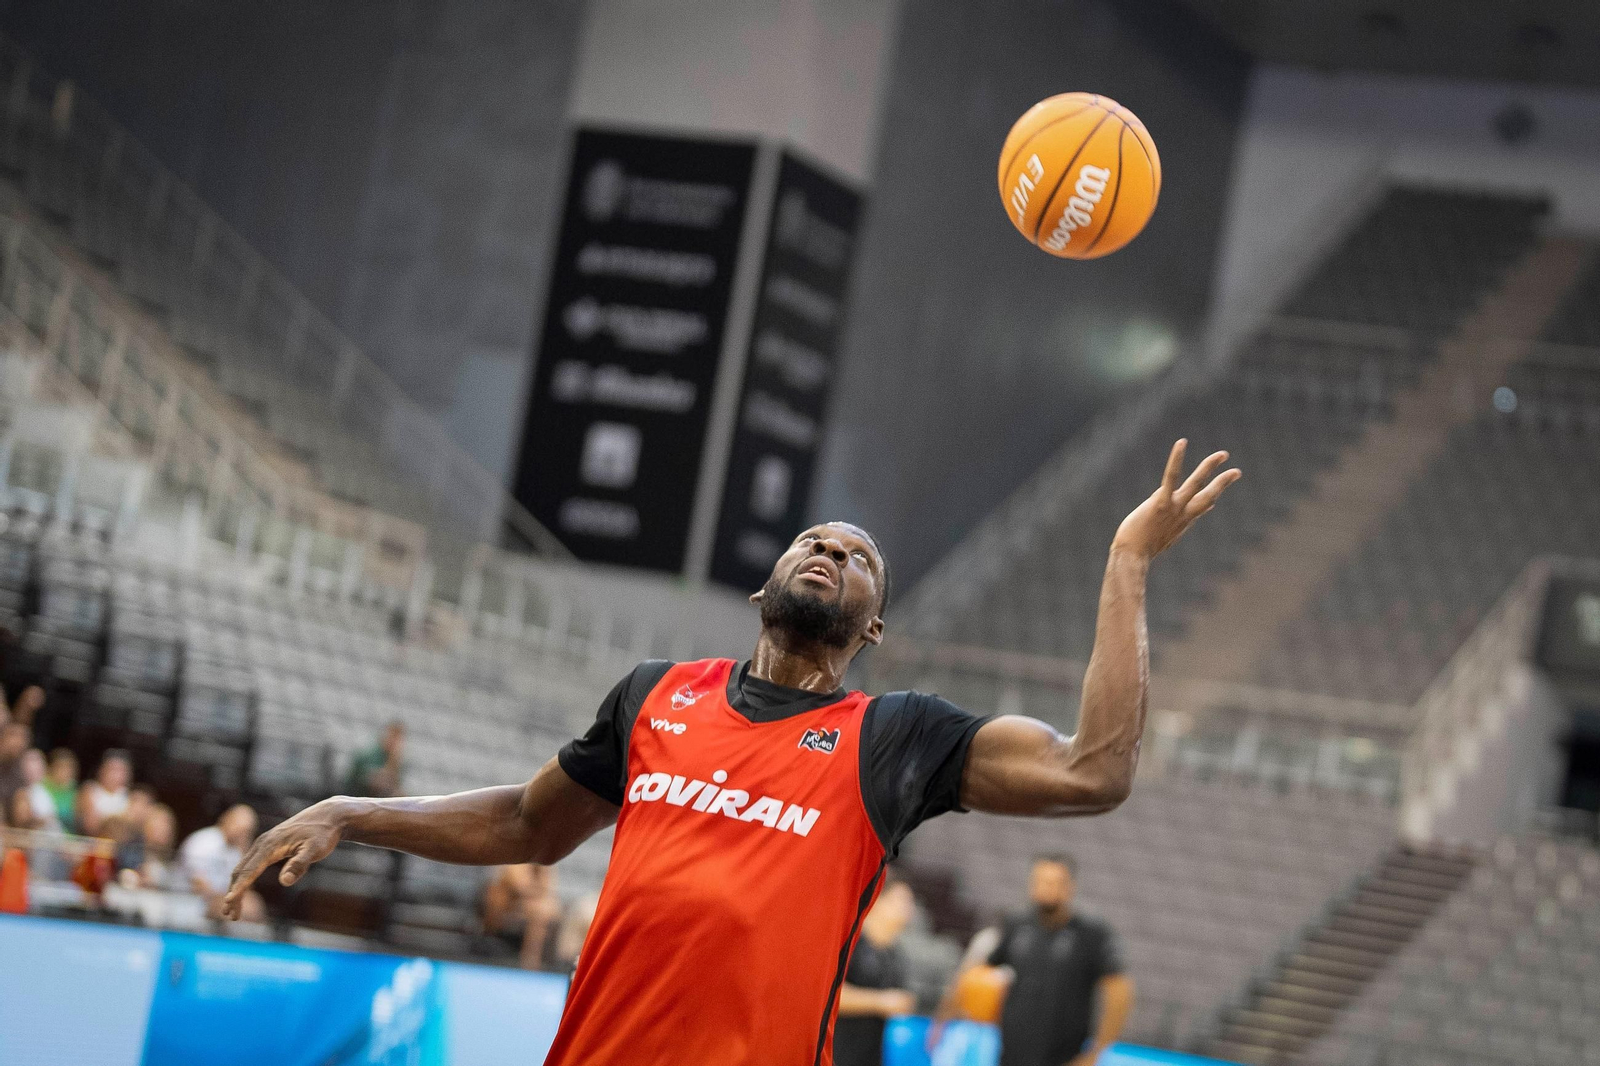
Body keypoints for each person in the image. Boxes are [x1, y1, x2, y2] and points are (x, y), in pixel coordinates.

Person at [224, 441, 1239, 1066]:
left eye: (858, 557)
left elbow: (1093, 771)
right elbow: (527, 824)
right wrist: (357, 811)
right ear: (765, 585)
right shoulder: (655, 694)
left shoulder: (893, 736)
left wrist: (1126, 562)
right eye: (813, 541)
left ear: (872, 626)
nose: (830, 551)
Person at [984, 855, 1135, 1066]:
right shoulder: (1016, 923)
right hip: (1011, 1054)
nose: (1046, 888)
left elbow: (1119, 991)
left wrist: (1097, 1050)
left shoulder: (1090, 933)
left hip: (1063, 1057)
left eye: (1054, 882)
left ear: (1070, 886)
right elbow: (983, 972)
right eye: (1041, 881)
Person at [835, 875, 918, 1066]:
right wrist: (880, 1002)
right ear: (878, 899)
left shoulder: (896, 955)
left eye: (910, 902)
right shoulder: (852, 940)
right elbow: (832, 996)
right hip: (837, 1052)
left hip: (870, 1056)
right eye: (900, 900)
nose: (907, 908)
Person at [182, 804, 262, 920]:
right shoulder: (203, 841)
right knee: (230, 908)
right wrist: (224, 899)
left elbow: (245, 888)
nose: (242, 835)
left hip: (220, 901)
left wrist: (246, 855)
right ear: (227, 820)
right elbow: (198, 884)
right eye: (240, 828)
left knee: (253, 904)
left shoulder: (237, 851)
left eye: (247, 832)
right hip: (192, 901)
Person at [482, 862, 562, 969]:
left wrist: (534, 892)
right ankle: (528, 960)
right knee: (539, 911)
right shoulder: (518, 861)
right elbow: (519, 887)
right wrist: (535, 891)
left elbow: (546, 888)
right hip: (510, 903)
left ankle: (532, 960)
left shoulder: (545, 862)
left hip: (529, 904)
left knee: (544, 911)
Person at [77, 749, 133, 837]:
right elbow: (90, 826)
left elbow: (129, 830)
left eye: (120, 770)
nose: (116, 775)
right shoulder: (90, 790)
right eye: (112, 769)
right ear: (102, 770)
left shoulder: (130, 796)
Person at [345, 721, 405, 797]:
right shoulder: (369, 754)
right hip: (355, 794)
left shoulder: (395, 760)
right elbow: (369, 780)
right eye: (393, 737)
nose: (395, 742)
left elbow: (395, 786)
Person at [7, 748, 58, 831]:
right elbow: (22, 820)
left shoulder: (46, 790)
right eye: (29, 768)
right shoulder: (20, 792)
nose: (32, 772)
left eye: (37, 767)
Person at [0, 721, 29, 823]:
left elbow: (21, 803)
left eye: (23, 738)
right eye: (13, 735)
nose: (19, 742)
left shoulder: (17, 766)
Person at [42, 748, 78, 832]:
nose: (65, 772)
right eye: (61, 767)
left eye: (69, 768)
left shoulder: (75, 790)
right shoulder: (42, 787)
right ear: (51, 768)